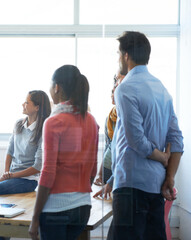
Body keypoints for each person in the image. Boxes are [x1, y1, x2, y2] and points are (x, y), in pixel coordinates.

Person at [107, 31, 183, 240]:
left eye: (118, 53)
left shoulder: (125, 89)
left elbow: (136, 141)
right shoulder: (162, 90)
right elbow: (177, 139)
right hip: (156, 186)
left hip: (131, 185)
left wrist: (161, 157)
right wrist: (170, 177)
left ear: (126, 55)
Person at [29, 65, 99, 240]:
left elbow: (48, 172)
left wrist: (35, 217)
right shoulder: (91, 120)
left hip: (56, 210)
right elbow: (93, 169)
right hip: (83, 208)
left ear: (57, 87)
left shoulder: (54, 122)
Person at [0, 90, 51, 240]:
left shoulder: (43, 129)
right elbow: (10, 151)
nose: (23, 104)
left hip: (28, 180)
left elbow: (37, 166)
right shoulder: (19, 124)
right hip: (12, 178)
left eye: (27, 102)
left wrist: (11, 176)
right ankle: (1, 234)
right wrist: (6, 173)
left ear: (37, 107)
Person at [93, 72, 125, 200]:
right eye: (111, 91)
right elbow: (108, 146)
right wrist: (100, 174)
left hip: (122, 170)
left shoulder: (128, 116)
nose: (112, 94)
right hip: (109, 168)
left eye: (115, 90)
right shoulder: (110, 118)